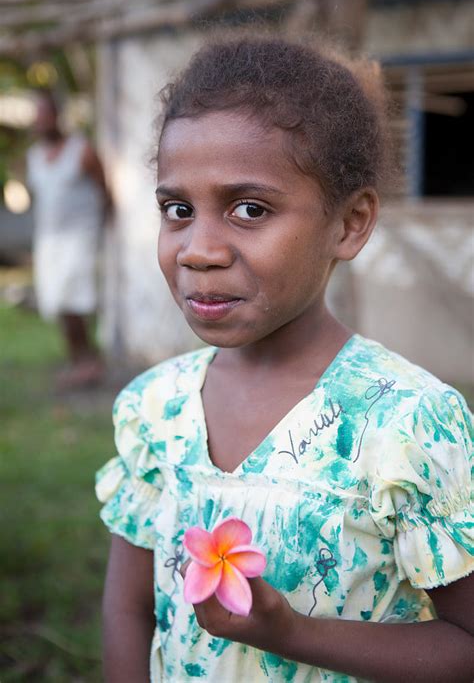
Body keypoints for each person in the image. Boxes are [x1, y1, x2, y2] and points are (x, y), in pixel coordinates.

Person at [95, 37, 474, 682]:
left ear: (349, 223)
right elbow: (128, 610)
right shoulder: (153, 409)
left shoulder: (408, 424)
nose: (199, 250)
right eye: (177, 210)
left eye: (250, 209)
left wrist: (290, 633)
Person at [27, 90, 111, 388]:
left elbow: (104, 191)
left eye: (45, 114)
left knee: (74, 299)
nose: (41, 121)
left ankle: (90, 361)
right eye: (36, 116)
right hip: (48, 239)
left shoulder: (81, 150)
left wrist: (106, 227)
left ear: (57, 116)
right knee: (57, 302)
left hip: (80, 236)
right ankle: (79, 361)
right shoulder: (34, 157)